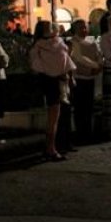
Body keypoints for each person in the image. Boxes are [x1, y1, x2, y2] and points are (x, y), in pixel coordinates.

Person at [29, 20, 76, 161]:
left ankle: (56, 145)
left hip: (58, 80)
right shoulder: (41, 46)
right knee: (53, 117)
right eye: (48, 27)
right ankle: (51, 148)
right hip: (51, 82)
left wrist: (67, 75)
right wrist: (57, 73)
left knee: (58, 115)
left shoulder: (55, 43)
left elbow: (65, 60)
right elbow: (38, 66)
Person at [69, 19, 102, 144]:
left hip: (90, 78)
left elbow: (99, 55)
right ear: (76, 29)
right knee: (80, 107)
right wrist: (95, 66)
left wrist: (99, 65)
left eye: (85, 27)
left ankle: (88, 132)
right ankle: (80, 133)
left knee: (89, 107)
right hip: (79, 78)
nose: (84, 29)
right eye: (81, 27)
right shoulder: (74, 42)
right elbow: (79, 58)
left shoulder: (91, 42)